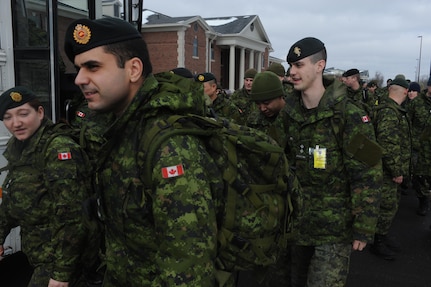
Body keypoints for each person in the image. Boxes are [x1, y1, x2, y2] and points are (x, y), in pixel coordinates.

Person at [64, 17, 222, 286]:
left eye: (93, 66)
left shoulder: (168, 145)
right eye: (79, 68)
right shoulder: (118, 128)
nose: (79, 79)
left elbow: (188, 267)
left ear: (133, 69)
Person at [282, 37, 382, 287]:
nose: (292, 72)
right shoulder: (289, 113)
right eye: (291, 66)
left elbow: (367, 172)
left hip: (334, 229)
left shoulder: (348, 115)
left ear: (320, 66)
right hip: (297, 224)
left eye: (299, 65)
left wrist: (364, 225)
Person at [0, 86, 94, 287]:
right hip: (38, 254)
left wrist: (61, 274)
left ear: (40, 112)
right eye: (8, 117)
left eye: (23, 114)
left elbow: (74, 217)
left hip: (62, 259)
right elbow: (12, 201)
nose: (15, 123)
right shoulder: (19, 148)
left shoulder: (58, 150)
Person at [370, 77, 411, 260]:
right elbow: (388, 144)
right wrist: (396, 171)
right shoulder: (389, 112)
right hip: (387, 172)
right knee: (386, 207)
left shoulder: (393, 110)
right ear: (404, 92)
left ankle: (382, 237)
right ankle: (377, 243)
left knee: (390, 206)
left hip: (389, 170)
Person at [407, 77, 431, 216]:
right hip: (419, 149)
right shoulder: (417, 103)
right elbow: (407, 123)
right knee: (417, 178)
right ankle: (423, 201)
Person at [246, 71, 288, 146]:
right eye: (258, 104)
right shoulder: (253, 120)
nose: (262, 108)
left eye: (266, 103)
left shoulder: (293, 119)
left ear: (280, 96)